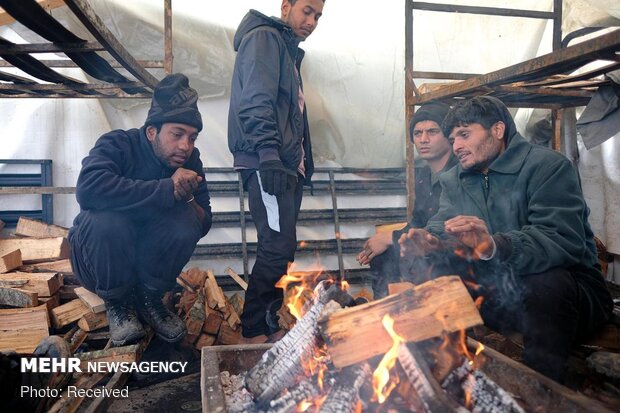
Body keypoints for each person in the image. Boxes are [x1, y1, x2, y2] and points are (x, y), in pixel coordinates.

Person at [399, 96, 613, 382]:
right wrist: (430, 241)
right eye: (453, 138)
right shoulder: (456, 179)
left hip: (569, 297)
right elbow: (441, 225)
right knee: (433, 270)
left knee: (545, 281)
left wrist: (494, 245)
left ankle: (542, 388)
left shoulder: (548, 167)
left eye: (465, 134)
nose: (457, 146)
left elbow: (561, 239)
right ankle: (450, 375)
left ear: (497, 130)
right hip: (501, 292)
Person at [69, 73, 212, 346]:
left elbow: (204, 222)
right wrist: (165, 189)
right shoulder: (118, 144)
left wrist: (188, 198)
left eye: (192, 137)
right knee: (108, 220)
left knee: (186, 221)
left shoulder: (191, 160)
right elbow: (88, 189)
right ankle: (117, 304)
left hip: (146, 268)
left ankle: (149, 300)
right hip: (98, 264)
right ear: (151, 132)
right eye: (177, 134)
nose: (186, 145)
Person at [227, 0, 325, 343]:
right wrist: (268, 155)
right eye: (307, 11)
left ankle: (268, 321)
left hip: (284, 166)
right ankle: (254, 329)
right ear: (286, 6)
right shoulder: (265, 38)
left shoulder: (287, 50)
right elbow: (255, 100)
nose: (311, 21)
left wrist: (303, 163)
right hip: (268, 162)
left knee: (281, 248)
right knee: (277, 246)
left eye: (318, 16)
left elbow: (292, 115)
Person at [356, 102, 458, 298]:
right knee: (383, 257)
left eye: (432, 131)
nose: (424, 139)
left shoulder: (460, 174)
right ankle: (386, 318)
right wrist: (390, 240)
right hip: (425, 247)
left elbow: (446, 227)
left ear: (448, 135)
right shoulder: (423, 176)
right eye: (418, 133)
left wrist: (390, 238)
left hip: (450, 253)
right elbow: (419, 221)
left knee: (396, 251)